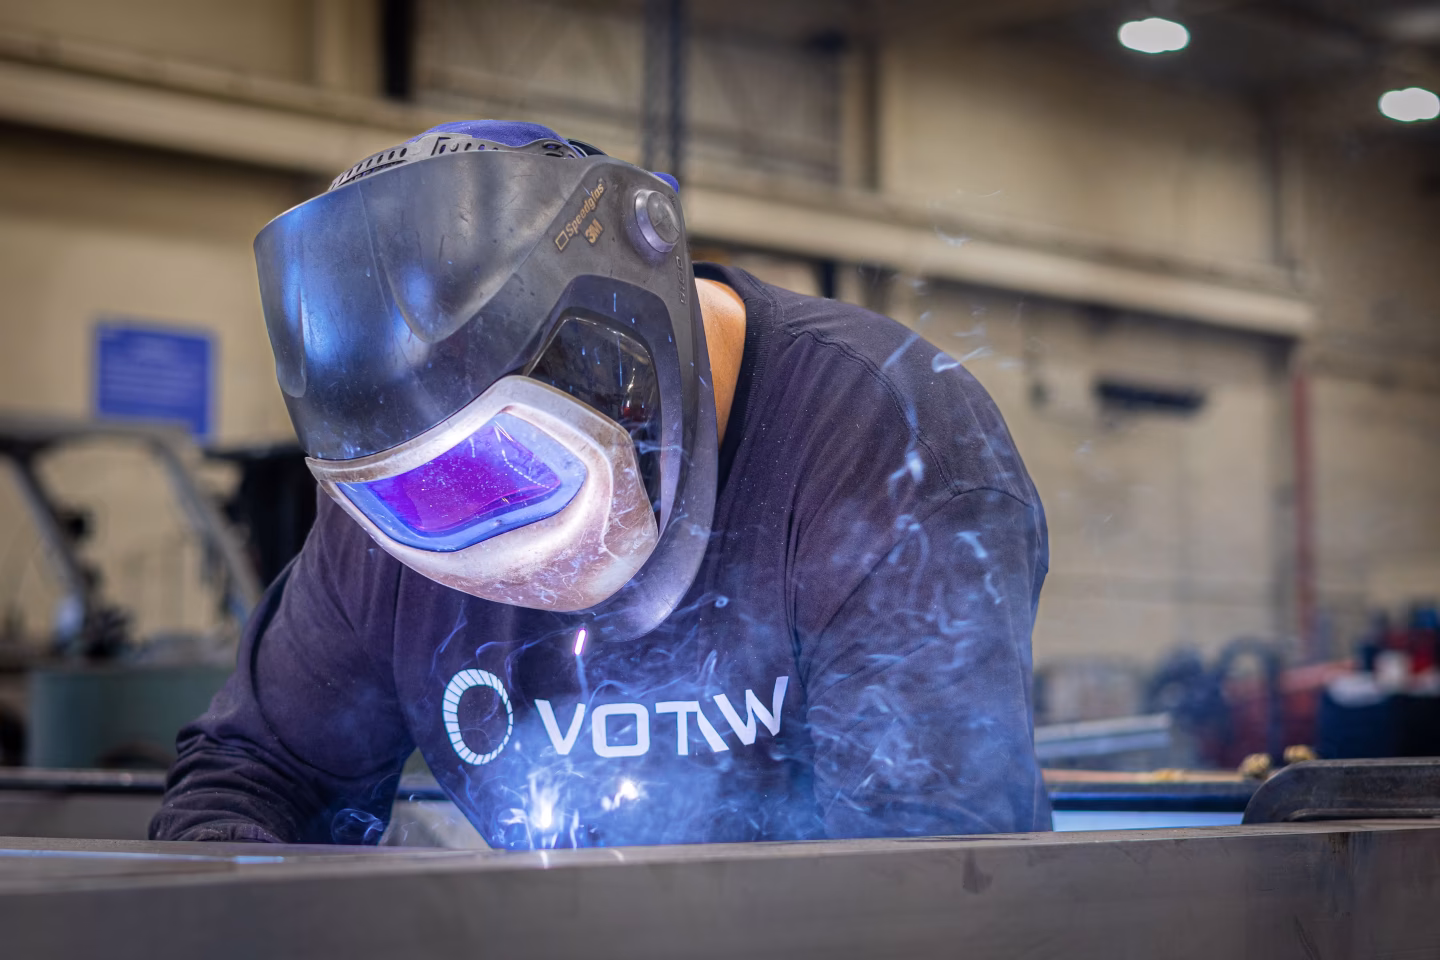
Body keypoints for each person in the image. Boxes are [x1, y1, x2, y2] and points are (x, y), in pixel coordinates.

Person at [151, 120, 1052, 848]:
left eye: (505, 469)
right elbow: (258, 777)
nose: (481, 542)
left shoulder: (889, 450)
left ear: (623, 358)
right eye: (412, 502)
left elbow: (937, 888)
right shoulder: (390, 497)